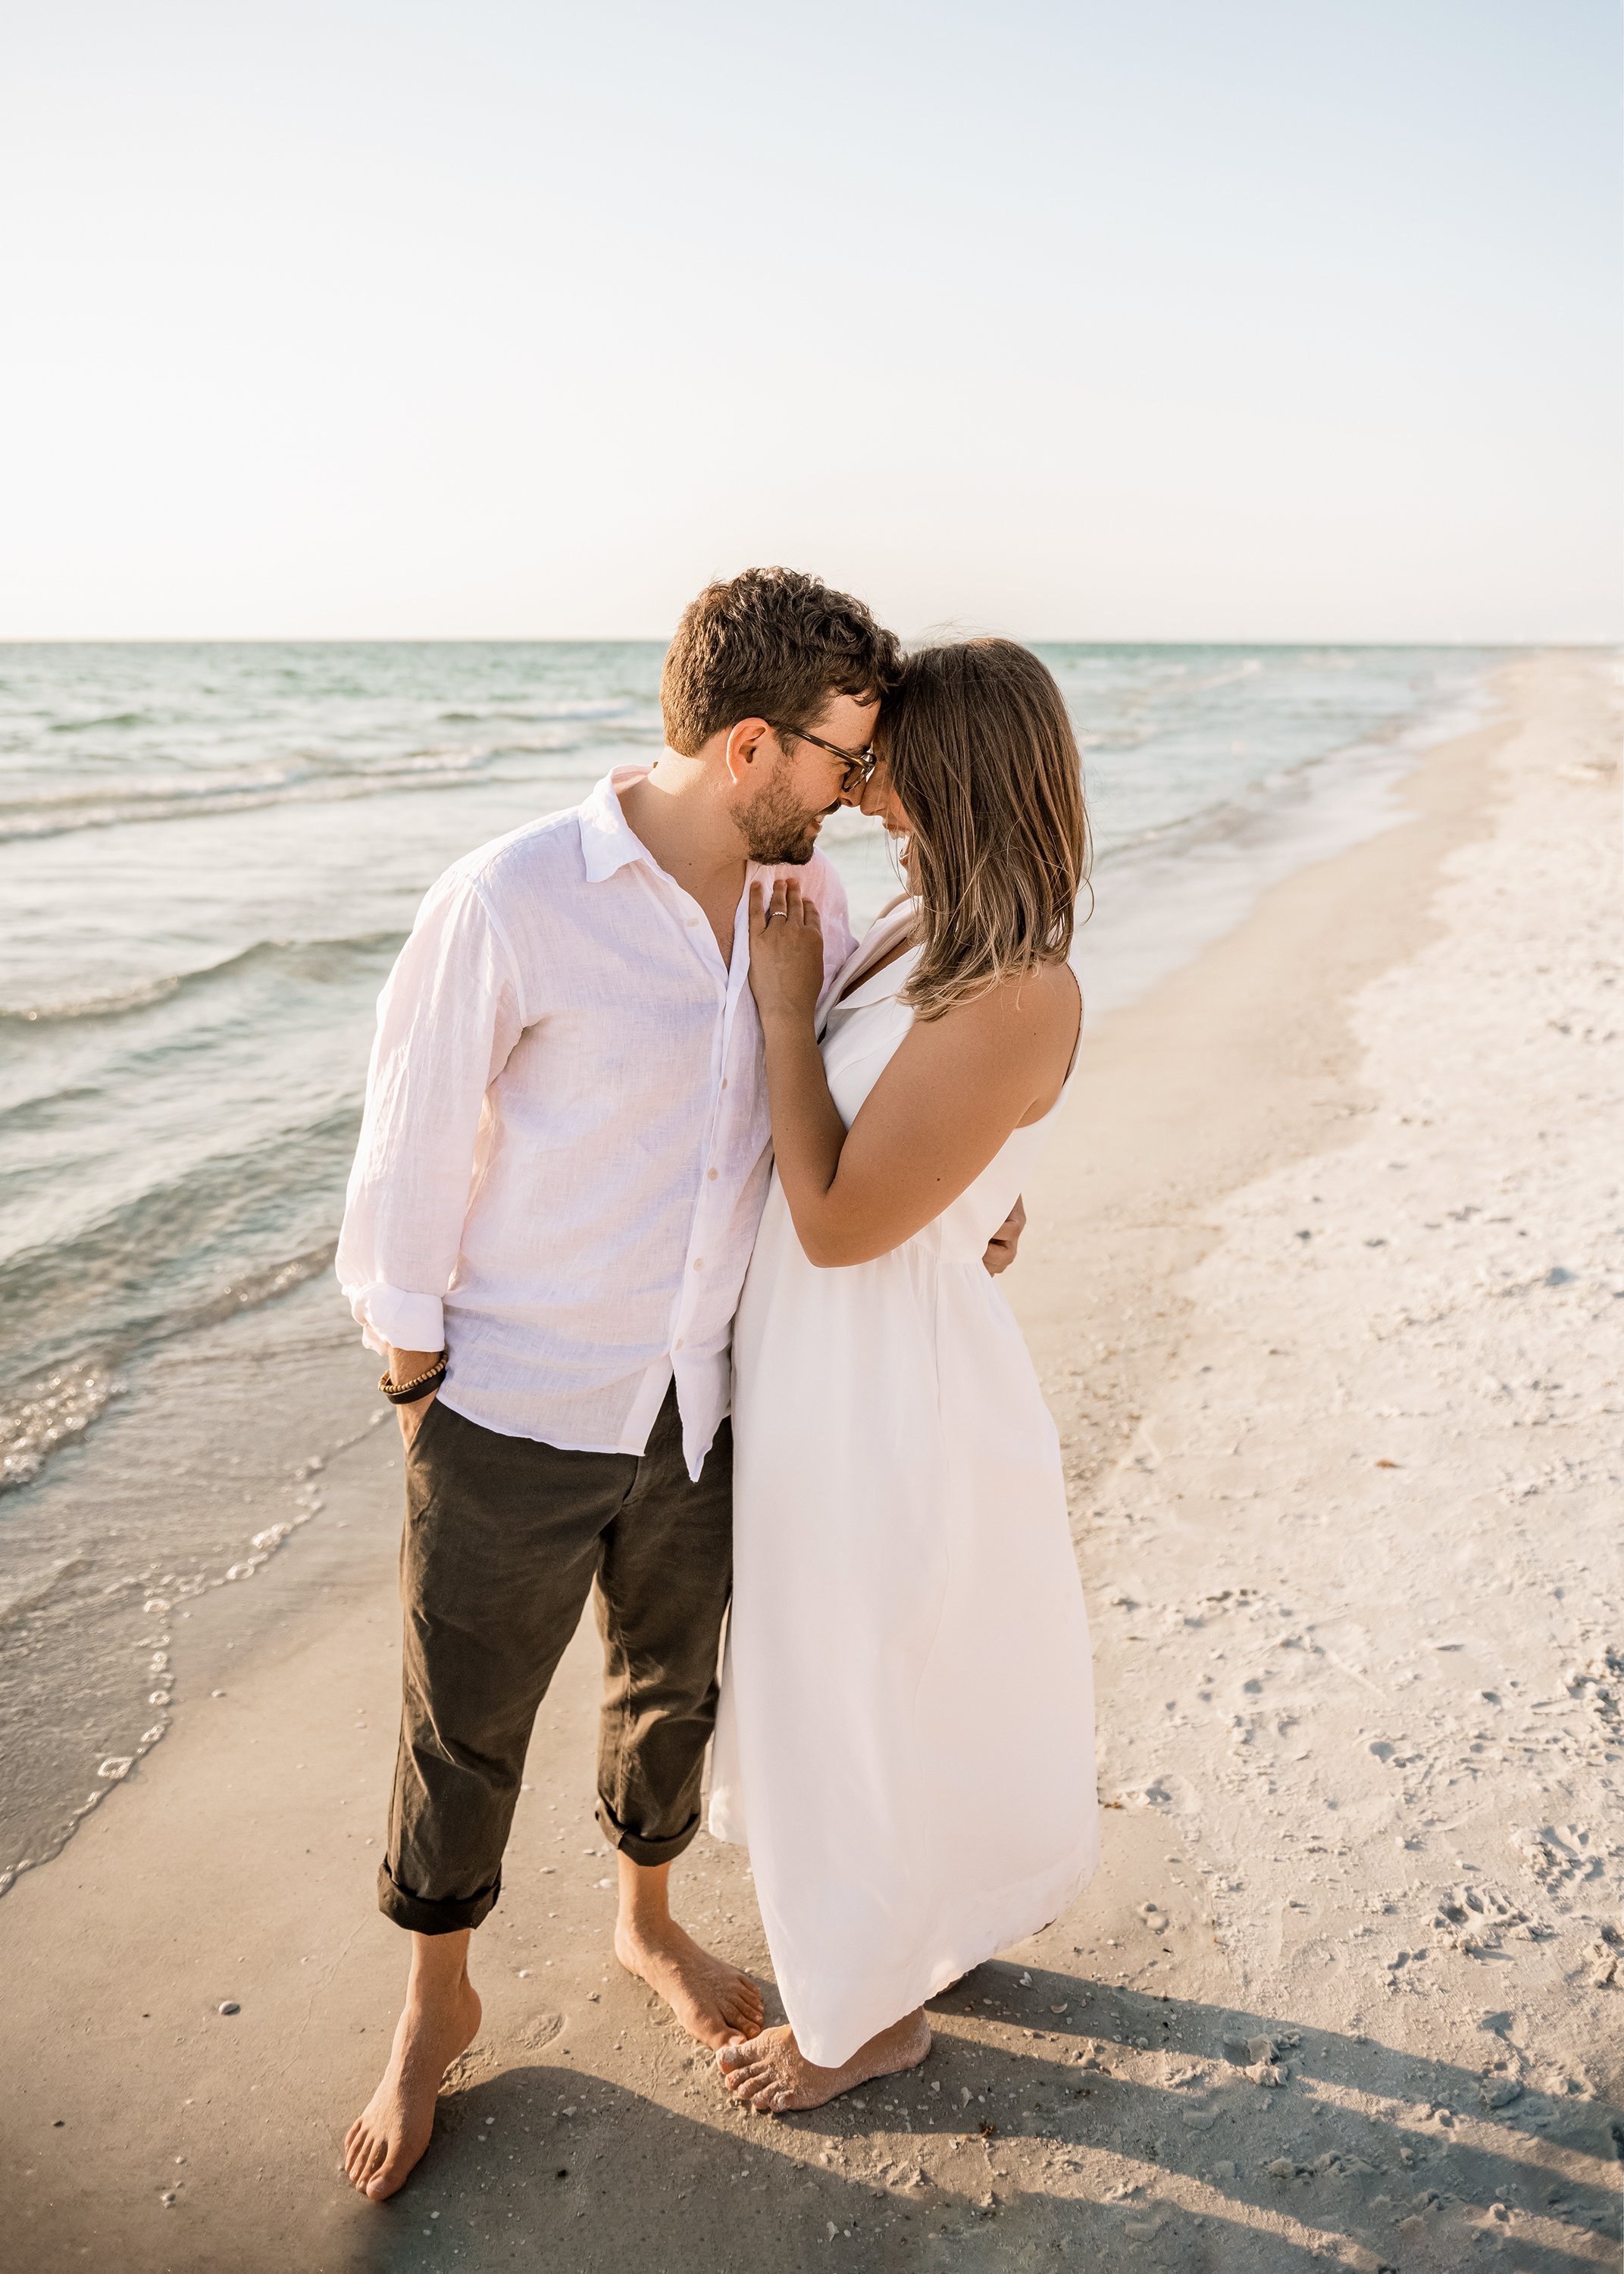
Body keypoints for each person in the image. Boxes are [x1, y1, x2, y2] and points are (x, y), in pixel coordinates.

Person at [333, 569, 1022, 2200]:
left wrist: (980, 1202)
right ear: (746, 748)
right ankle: (433, 2008)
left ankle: (644, 1922)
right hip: (512, 1399)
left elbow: (856, 1117)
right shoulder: (511, 896)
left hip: (706, 1406)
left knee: (670, 1697)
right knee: (464, 1725)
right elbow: (412, 1141)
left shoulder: (819, 911)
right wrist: (416, 1371)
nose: (866, 793)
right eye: (846, 761)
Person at [709, 637, 1099, 2113]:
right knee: (864, 1679)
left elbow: (836, 1221)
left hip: (885, 1386)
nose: (862, 793)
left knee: (859, 1682)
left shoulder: (1020, 987)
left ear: (954, 772)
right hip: (832, 1367)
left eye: (883, 768)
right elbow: (909, 1160)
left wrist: (774, 1000)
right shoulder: (917, 924)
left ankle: (867, 2019)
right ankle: (912, 1938)